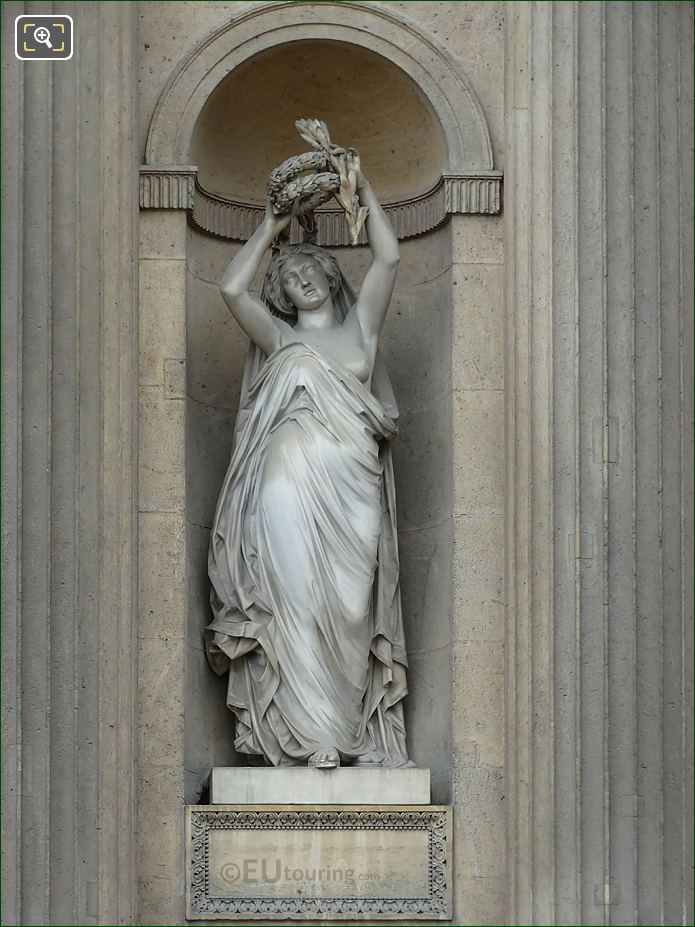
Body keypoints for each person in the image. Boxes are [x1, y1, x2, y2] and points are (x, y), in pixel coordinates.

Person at [205, 153, 412, 768]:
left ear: (328, 271)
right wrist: (271, 227)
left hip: (353, 483)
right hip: (287, 483)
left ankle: (350, 733)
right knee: (292, 597)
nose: (302, 283)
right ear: (285, 296)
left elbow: (391, 258)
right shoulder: (280, 339)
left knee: (351, 606)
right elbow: (230, 288)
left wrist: (362, 188)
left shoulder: (361, 332)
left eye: (310, 272)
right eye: (290, 281)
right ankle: (305, 736)